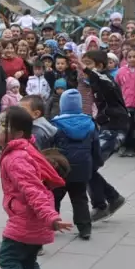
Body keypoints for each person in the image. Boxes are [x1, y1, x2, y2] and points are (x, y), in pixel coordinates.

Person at [0, 106, 71, 269]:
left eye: (2, 125)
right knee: (28, 260)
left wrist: (51, 217)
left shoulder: (16, 158)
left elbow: (33, 189)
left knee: (8, 258)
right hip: (33, 219)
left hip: (27, 219)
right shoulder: (23, 151)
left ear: (18, 134)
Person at [50, 88, 96, 239]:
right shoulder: (89, 124)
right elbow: (96, 147)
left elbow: (49, 148)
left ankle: (51, 224)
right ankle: (85, 228)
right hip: (82, 168)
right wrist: (95, 164)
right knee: (80, 198)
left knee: (54, 197)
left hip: (60, 169)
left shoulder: (56, 125)